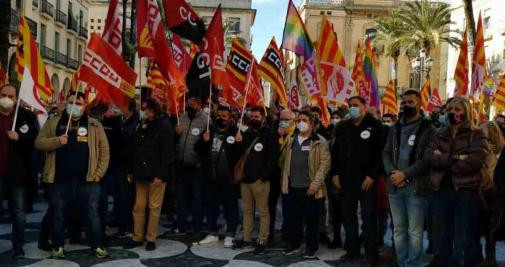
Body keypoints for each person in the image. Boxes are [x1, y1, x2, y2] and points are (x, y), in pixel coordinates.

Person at [35, 91, 110, 259]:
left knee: (92, 214)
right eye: (71, 102)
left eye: (78, 102)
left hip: (88, 180)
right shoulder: (53, 122)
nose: (74, 105)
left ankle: (97, 245)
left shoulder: (94, 125)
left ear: (84, 106)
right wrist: (56, 141)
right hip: (59, 180)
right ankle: (57, 247)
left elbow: (105, 151)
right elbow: (38, 142)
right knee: (58, 214)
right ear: (66, 103)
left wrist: (98, 174)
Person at [425, 96, 489, 267]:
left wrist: (445, 161)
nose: (454, 113)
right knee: (443, 234)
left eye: (458, 110)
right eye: (451, 110)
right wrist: (457, 158)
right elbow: (429, 157)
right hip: (442, 190)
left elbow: (476, 159)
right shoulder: (440, 133)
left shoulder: (476, 134)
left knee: (468, 235)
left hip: (466, 190)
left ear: (466, 113)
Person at [382, 90, 436, 267]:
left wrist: (405, 175)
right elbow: (386, 153)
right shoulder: (394, 128)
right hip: (395, 186)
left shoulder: (429, 129)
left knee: (415, 231)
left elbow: (427, 160)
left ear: (419, 104)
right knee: (398, 229)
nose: (406, 106)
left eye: (410, 102)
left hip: (416, 187)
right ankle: (402, 261)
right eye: (403, 102)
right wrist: (393, 174)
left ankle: (413, 263)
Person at [331, 96, 386, 266]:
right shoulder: (342, 127)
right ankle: (352, 250)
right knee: (348, 216)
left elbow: (381, 154)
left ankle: (371, 254)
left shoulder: (376, 127)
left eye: (356, 105)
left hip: (367, 180)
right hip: (347, 180)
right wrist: (335, 174)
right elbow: (336, 153)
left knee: (369, 218)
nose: (352, 108)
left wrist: (372, 175)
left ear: (364, 106)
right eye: (350, 106)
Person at [124, 98, 174, 251]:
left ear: (152, 110)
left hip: (156, 175)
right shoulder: (141, 125)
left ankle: (151, 238)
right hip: (141, 174)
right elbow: (135, 150)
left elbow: (167, 153)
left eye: (145, 108)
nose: (142, 111)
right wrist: (131, 170)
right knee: (139, 207)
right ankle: (137, 236)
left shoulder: (164, 126)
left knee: (154, 208)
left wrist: (161, 174)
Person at [280, 111, 330, 258]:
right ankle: (293, 244)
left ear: (312, 124)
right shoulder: (291, 139)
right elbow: (283, 162)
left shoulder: (319, 141)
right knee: (293, 219)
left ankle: (311, 247)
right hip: (292, 187)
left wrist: (315, 184)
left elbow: (325, 164)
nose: (301, 123)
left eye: (304, 120)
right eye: (299, 120)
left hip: (311, 189)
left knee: (311, 221)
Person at [0, 84, 38, 258]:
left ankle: (18, 245)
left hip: (18, 173)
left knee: (19, 212)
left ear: (16, 99)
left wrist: (20, 138)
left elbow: (35, 141)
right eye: (3, 94)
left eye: (10, 96)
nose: (6, 98)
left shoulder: (26, 116)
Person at [234, 106, 278, 255]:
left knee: (263, 211)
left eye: (256, 117)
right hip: (245, 179)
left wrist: (264, 176)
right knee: (247, 210)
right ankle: (246, 238)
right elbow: (240, 155)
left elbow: (273, 158)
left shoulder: (270, 134)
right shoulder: (246, 133)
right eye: (252, 117)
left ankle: (262, 240)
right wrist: (238, 141)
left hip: (260, 180)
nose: (253, 119)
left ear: (263, 118)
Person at [195, 105, 240, 248]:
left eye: (224, 116)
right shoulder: (209, 130)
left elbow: (241, 154)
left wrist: (240, 142)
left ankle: (230, 234)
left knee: (230, 206)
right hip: (211, 176)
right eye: (219, 116)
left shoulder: (235, 132)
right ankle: (212, 232)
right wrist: (204, 140)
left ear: (230, 118)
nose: (221, 119)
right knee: (211, 205)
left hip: (228, 177)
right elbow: (197, 149)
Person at [174, 96, 207, 239]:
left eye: (192, 105)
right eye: (188, 104)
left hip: (197, 167)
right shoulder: (182, 117)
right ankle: (181, 225)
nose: (190, 107)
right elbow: (176, 140)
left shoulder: (205, 120)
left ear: (199, 105)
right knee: (181, 198)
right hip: (181, 165)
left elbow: (208, 144)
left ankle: (197, 227)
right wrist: (176, 133)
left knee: (197, 198)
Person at [271, 109, 296, 243]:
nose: (283, 122)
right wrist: (277, 137)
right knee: (272, 206)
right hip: (275, 176)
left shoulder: (297, 135)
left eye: (287, 120)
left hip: (290, 178)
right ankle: (271, 233)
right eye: (282, 119)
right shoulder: (274, 133)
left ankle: (288, 235)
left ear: (293, 121)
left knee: (289, 208)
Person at [116, 99, 139, 238]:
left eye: (122, 105)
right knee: (121, 196)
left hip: (129, 166)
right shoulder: (121, 121)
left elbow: (132, 145)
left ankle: (130, 226)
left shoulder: (136, 124)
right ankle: (123, 223)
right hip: (121, 164)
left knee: (129, 197)